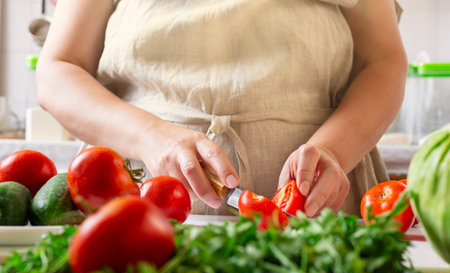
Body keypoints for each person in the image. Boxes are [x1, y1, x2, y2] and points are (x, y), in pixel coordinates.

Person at [36, 0, 408, 217]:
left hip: (320, 213)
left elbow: (384, 60)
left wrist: (334, 149)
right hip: (138, 212)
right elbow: (57, 70)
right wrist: (153, 137)